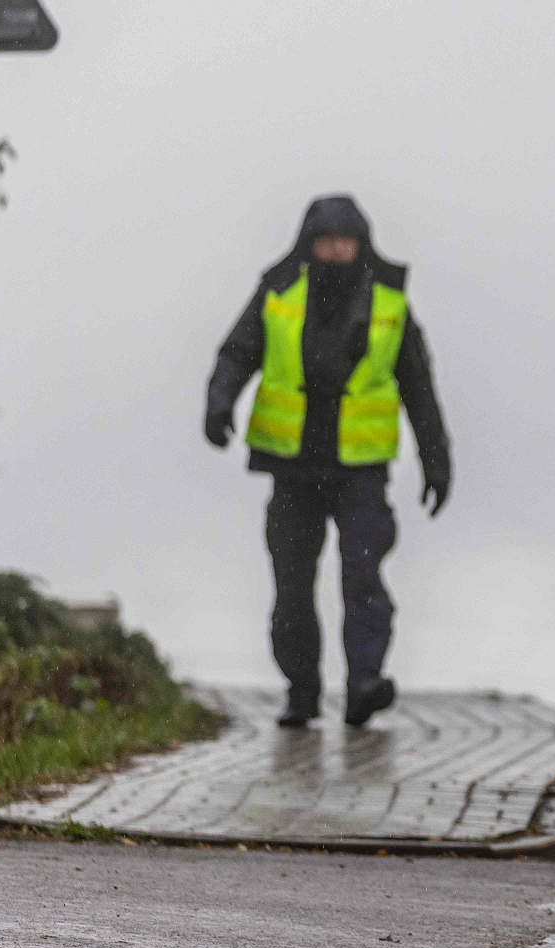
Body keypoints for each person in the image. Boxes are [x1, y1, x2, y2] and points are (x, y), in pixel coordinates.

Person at [204, 195, 452, 729]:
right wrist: (218, 402)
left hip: (360, 471)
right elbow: (238, 351)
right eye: (327, 239)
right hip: (291, 469)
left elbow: (418, 384)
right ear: (309, 243)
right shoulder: (279, 290)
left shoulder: (390, 301)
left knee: (362, 579)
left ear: (362, 244)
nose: (337, 249)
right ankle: (301, 690)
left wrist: (437, 461)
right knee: (292, 586)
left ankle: (364, 683)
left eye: (347, 240)